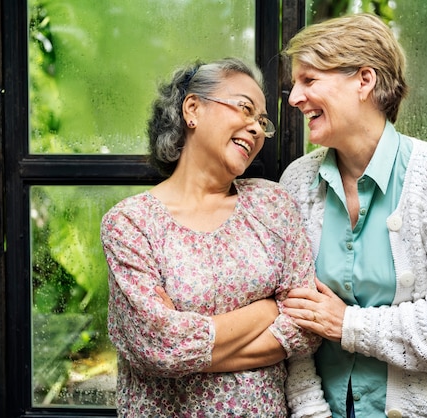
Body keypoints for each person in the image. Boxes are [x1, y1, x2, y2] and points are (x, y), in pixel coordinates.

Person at [278, 13, 427, 418]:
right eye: (295, 84)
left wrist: (348, 325)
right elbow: (290, 314)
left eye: (309, 80)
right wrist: (311, 411)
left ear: (364, 80)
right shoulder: (297, 181)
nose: (293, 98)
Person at [101, 57, 331, 417]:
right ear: (192, 109)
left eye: (261, 121)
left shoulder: (272, 205)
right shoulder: (131, 223)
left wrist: (187, 349)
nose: (255, 128)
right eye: (244, 108)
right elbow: (159, 347)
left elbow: (305, 329)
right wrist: (267, 309)